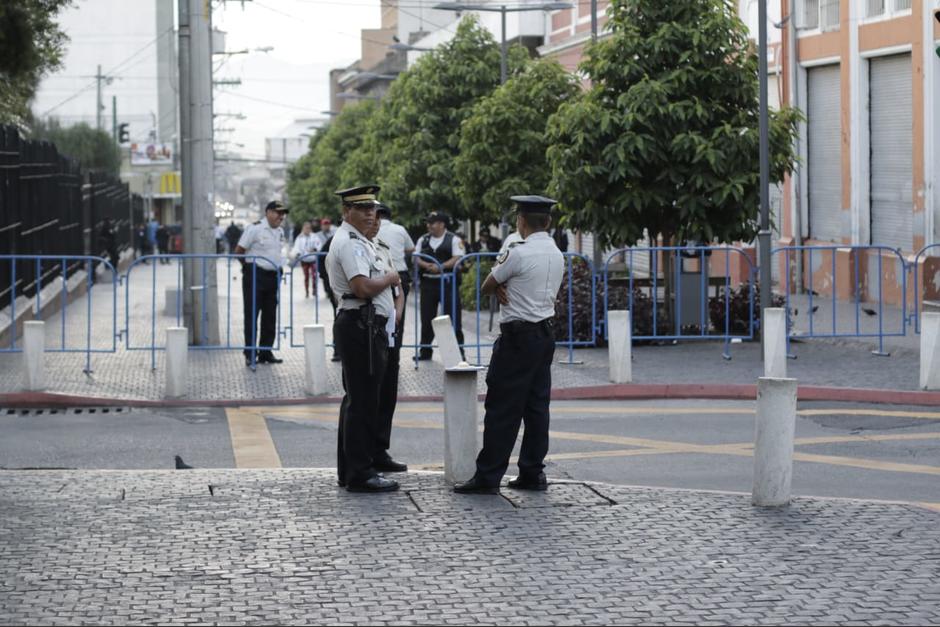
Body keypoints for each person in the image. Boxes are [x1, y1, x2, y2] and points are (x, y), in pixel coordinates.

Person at [454, 195, 565, 495]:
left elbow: (487, 284)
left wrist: (501, 285)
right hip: (544, 335)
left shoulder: (518, 252)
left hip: (518, 337)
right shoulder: (557, 253)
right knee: (537, 408)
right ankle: (532, 472)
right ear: (549, 222)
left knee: (502, 407)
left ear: (521, 221)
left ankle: (488, 476)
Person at [326, 185, 401, 493]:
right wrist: (391, 279)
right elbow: (362, 287)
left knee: (359, 399)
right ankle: (360, 472)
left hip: (366, 324)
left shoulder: (362, 242)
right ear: (347, 212)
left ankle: (353, 469)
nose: (371, 213)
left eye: (372, 208)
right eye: (363, 208)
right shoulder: (351, 244)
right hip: (360, 324)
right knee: (363, 401)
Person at [366, 214, 408, 474]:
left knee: (388, 389)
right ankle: (365, 453)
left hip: (389, 327)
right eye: (371, 220)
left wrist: (398, 311)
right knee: (369, 393)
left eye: (378, 221)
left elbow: (398, 288)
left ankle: (380, 448)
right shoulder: (354, 248)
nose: (376, 225)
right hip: (368, 327)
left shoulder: (382, 249)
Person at [235, 200, 289, 367]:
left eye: (283, 213)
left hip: (273, 277)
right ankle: (250, 352)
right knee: (252, 315)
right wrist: (249, 268)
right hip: (255, 275)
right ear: (268, 213)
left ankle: (266, 351)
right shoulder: (255, 228)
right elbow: (239, 251)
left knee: (270, 316)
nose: (281, 216)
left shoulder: (279, 231)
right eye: (277, 212)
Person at [415, 211, 465, 361]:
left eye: (432, 223)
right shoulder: (423, 239)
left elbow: (458, 258)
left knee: (453, 317)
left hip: (447, 282)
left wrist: (440, 266)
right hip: (428, 282)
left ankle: (458, 352)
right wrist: (426, 264)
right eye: (428, 222)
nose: (428, 225)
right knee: (426, 317)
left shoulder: (454, 239)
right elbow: (416, 258)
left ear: (442, 224)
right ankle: (425, 351)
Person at [291, 221, 320, 298]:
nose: (307, 229)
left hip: (313, 259)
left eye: (309, 228)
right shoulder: (299, 237)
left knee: (314, 275)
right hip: (304, 260)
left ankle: (314, 290)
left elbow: (318, 245)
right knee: (306, 276)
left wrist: (315, 249)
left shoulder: (314, 236)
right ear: (303, 229)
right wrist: (298, 254)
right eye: (306, 228)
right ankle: (307, 291)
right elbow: (296, 247)